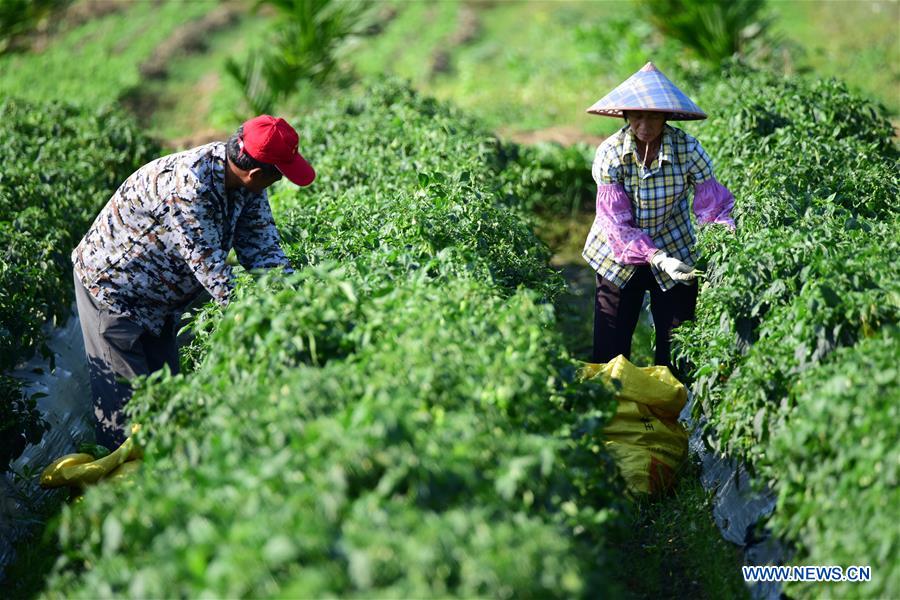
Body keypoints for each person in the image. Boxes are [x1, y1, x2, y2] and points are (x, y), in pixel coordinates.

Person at [72, 115, 315, 448]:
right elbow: (213, 271)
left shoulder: (247, 186)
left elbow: (264, 251)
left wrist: (299, 303)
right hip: (114, 291)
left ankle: (164, 473)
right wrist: (266, 322)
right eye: (278, 176)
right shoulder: (189, 186)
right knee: (127, 414)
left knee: (167, 399)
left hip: (160, 298)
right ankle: (118, 490)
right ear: (257, 173)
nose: (276, 184)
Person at [582, 62, 735, 368]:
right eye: (638, 115)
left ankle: (674, 407)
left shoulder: (688, 149)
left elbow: (711, 205)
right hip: (616, 255)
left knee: (678, 343)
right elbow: (617, 225)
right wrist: (656, 257)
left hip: (674, 244)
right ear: (626, 116)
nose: (645, 124)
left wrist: (723, 240)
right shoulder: (610, 153)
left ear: (666, 116)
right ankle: (612, 407)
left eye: (653, 115)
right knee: (610, 348)